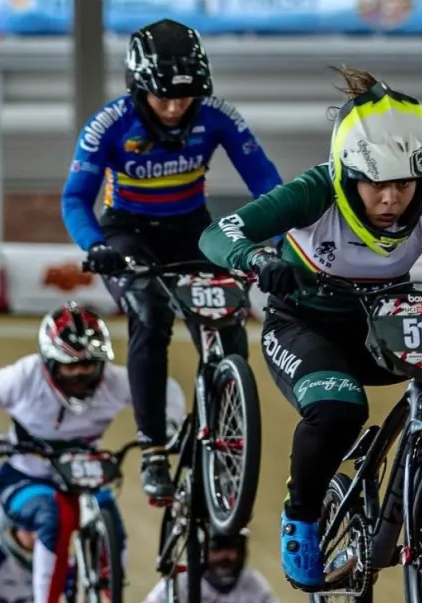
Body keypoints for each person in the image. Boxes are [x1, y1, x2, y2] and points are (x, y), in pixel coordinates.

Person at [197, 67, 422, 591]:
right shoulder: (314, 192)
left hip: (379, 325)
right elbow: (218, 234)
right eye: (379, 183)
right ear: (350, 174)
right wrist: (256, 259)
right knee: (339, 409)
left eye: (404, 183)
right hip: (302, 326)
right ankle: (301, 515)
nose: (393, 197)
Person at [62, 18, 284, 504]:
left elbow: (266, 182)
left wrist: (280, 234)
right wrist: (93, 245)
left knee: (227, 315)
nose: (174, 107)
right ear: (139, 89)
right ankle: (153, 451)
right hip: (128, 233)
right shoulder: (110, 123)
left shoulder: (217, 115)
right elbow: (75, 198)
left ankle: (228, 426)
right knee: (151, 312)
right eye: (162, 98)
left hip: (191, 231)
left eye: (185, 98)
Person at [0, 302, 187, 603]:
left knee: (113, 522)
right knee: (53, 515)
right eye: (72, 367)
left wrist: (168, 426)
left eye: (90, 365)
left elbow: (166, 387)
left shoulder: (114, 381)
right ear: (49, 363)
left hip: (85, 473)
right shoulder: (23, 377)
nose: (82, 375)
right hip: (26, 476)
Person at [125, 529, 293, 603]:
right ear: (201, 550)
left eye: (234, 547)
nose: (228, 556)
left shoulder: (251, 582)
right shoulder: (183, 579)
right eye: (217, 548)